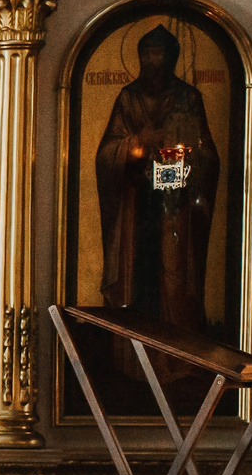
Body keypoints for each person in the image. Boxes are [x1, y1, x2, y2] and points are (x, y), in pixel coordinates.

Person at [94, 24, 221, 341]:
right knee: (137, 277)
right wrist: (137, 142)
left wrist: (186, 156)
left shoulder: (188, 98)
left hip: (176, 207)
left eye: (159, 53)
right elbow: (106, 153)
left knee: (175, 277)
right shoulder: (129, 98)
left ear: (172, 57)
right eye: (147, 54)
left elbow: (208, 155)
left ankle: (178, 354)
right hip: (135, 206)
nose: (153, 61)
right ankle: (130, 356)